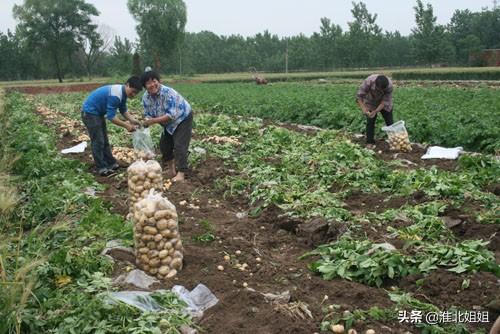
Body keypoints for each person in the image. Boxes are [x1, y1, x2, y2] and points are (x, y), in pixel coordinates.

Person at [81, 76, 142, 176]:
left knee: (104, 140)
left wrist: (133, 120)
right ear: (127, 85)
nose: (134, 94)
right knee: (98, 141)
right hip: (89, 113)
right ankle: (101, 167)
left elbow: (123, 110)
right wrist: (126, 125)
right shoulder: (116, 95)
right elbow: (111, 117)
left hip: (97, 113)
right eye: (133, 91)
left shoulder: (122, 93)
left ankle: (111, 163)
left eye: (136, 93)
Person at [140, 70, 193, 182]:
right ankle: (171, 170)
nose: (152, 85)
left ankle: (182, 173)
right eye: (148, 83)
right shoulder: (145, 98)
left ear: (158, 81)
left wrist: (153, 121)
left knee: (179, 145)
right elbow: (147, 114)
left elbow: (171, 115)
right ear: (145, 86)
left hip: (182, 118)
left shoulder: (168, 93)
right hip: (166, 123)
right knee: (164, 145)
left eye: (154, 81)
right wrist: (146, 121)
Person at [356, 74, 394, 148]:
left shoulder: (389, 87)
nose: (380, 91)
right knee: (370, 121)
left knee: (389, 121)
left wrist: (376, 111)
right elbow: (359, 96)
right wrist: (364, 108)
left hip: (384, 103)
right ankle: (370, 142)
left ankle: (394, 140)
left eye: (382, 90)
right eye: (379, 89)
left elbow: (384, 102)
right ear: (375, 85)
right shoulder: (368, 82)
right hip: (371, 101)